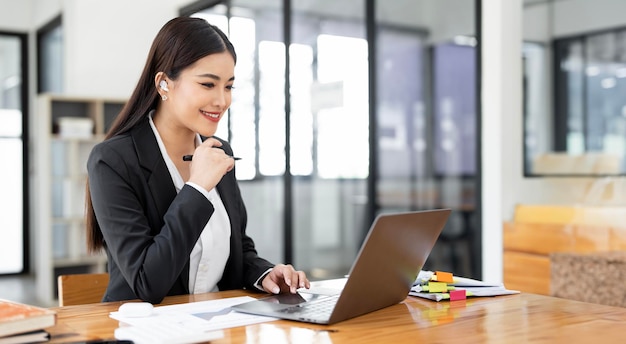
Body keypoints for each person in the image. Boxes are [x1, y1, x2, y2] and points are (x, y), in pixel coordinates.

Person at [85, 16, 310, 304]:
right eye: (208, 84)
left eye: (228, 87)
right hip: (144, 328)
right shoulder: (113, 161)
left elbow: (238, 247)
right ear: (164, 84)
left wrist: (263, 274)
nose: (222, 101)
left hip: (217, 324)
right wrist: (198, 188)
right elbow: (147, 282)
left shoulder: (219, 151)